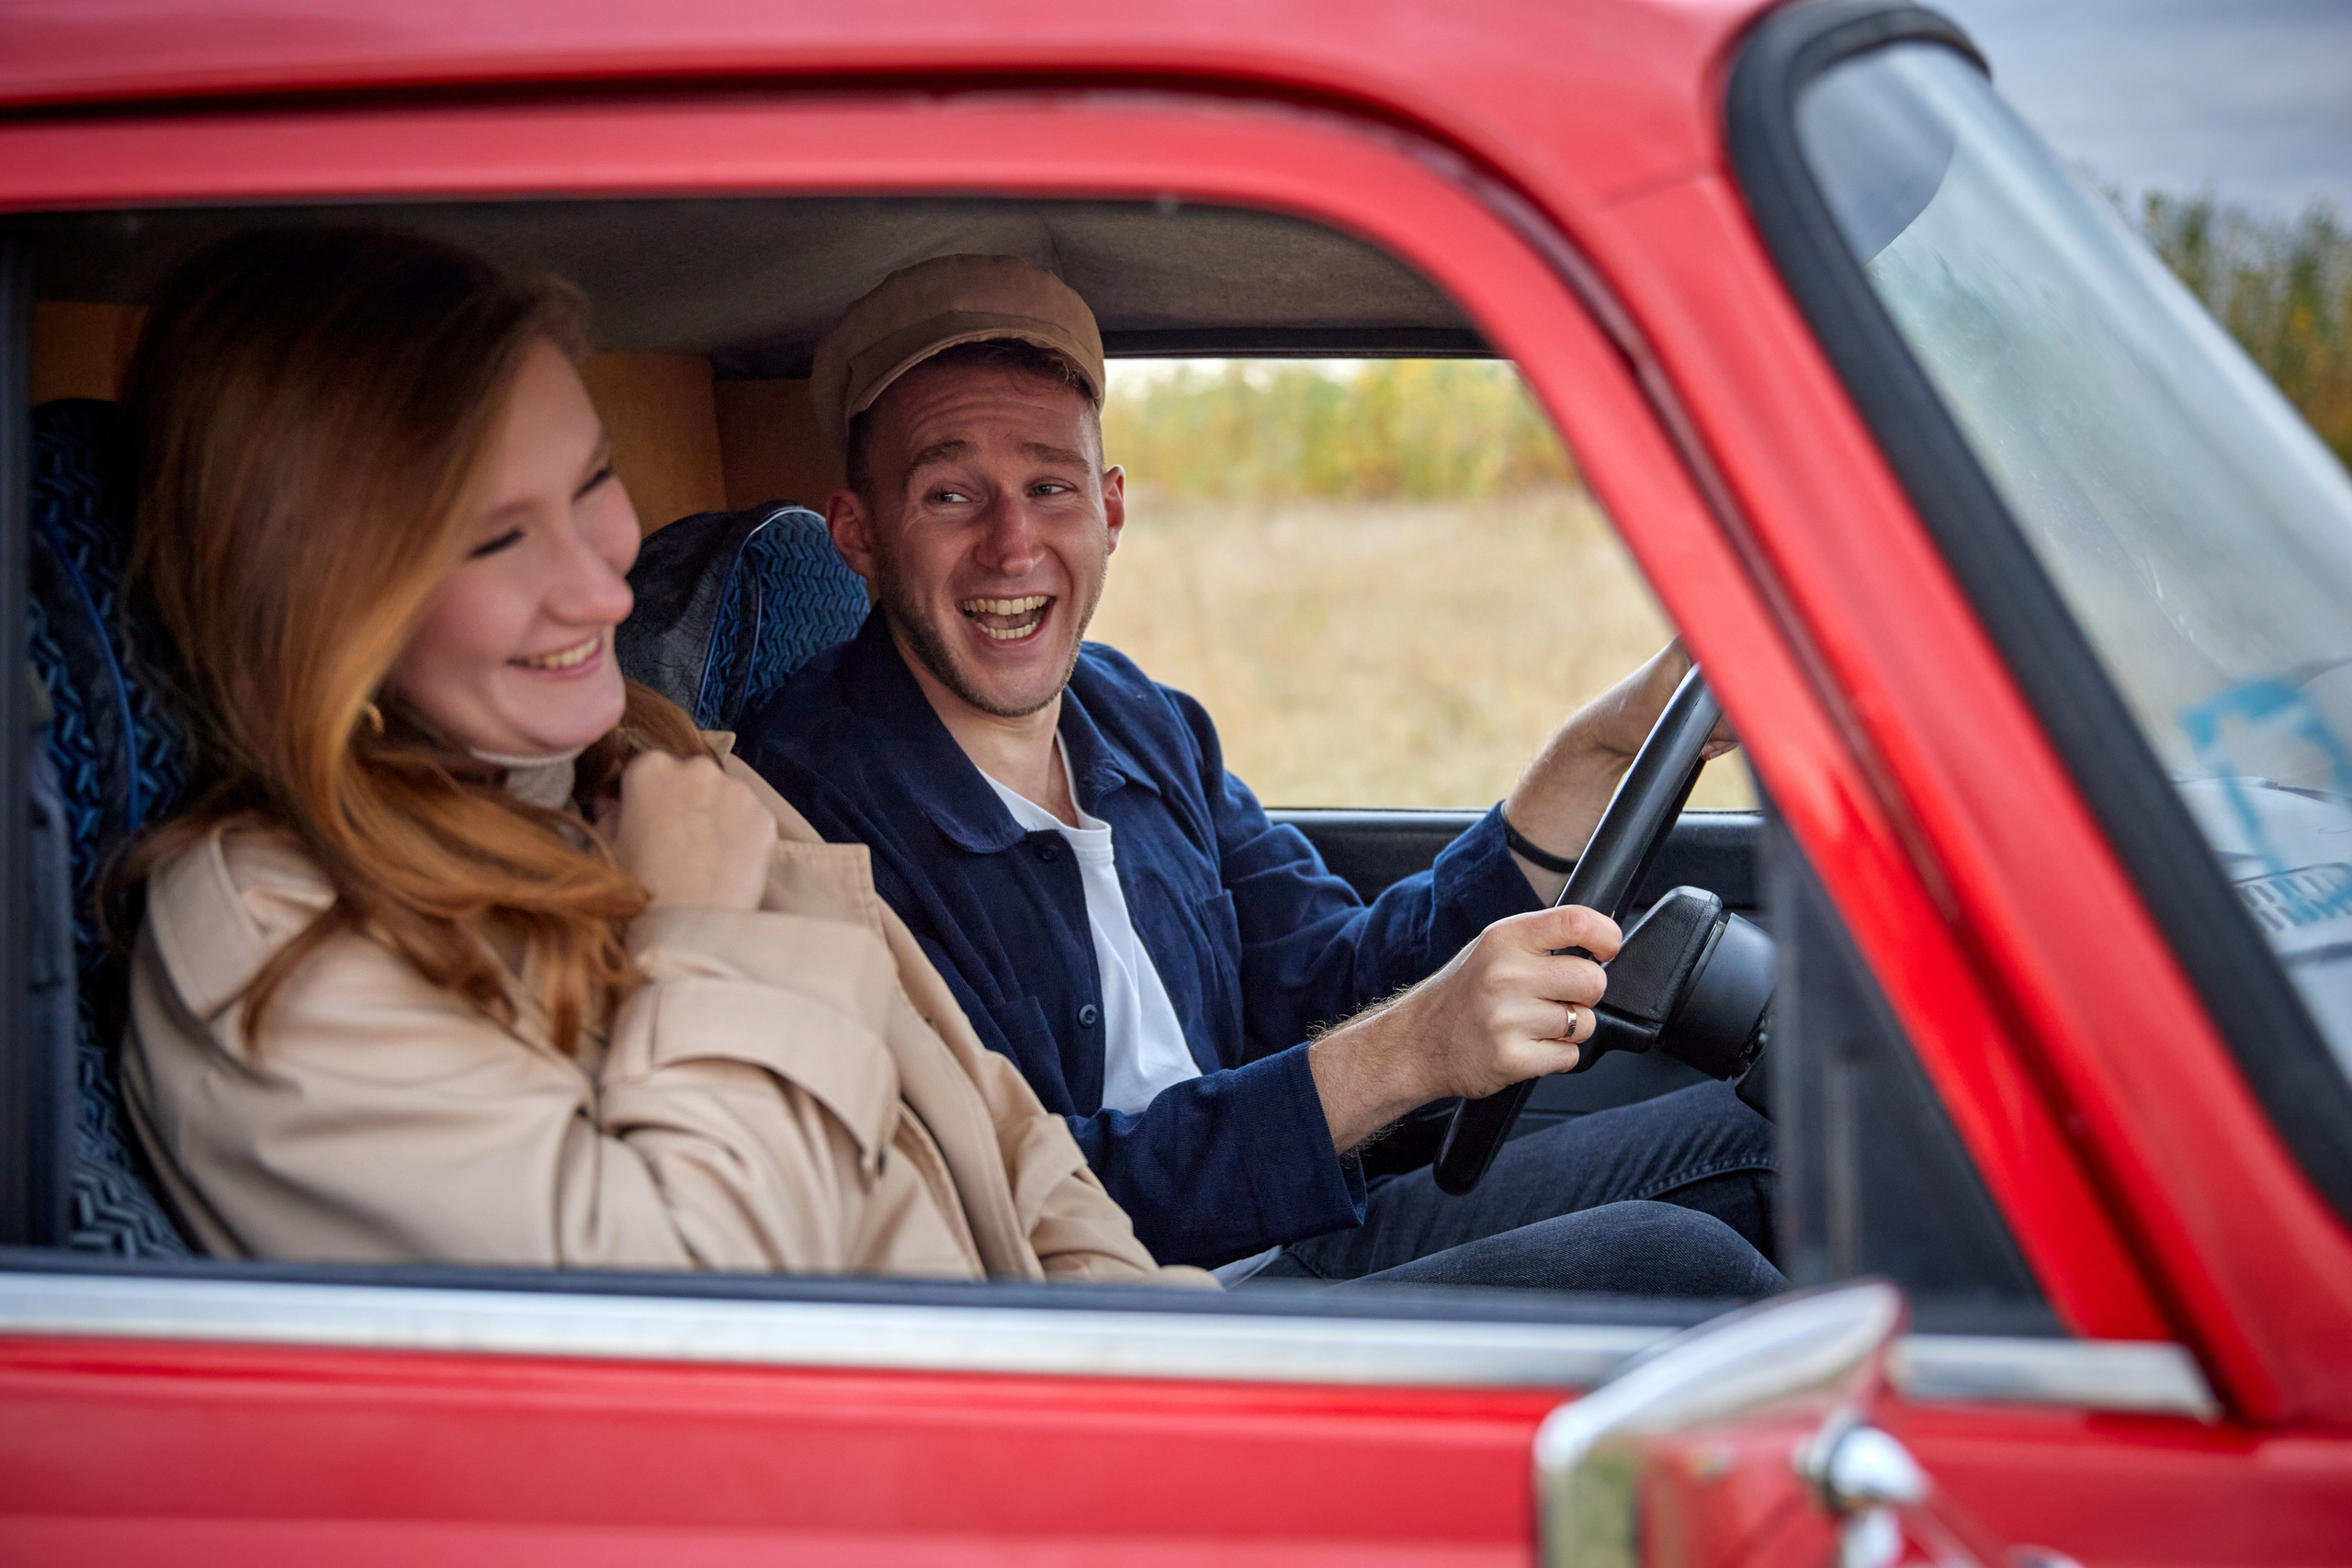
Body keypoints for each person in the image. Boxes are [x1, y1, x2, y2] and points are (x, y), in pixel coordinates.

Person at [112, 228, 1211, 1284]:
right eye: (498, 537)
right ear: (313, 599)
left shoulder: (655, 756)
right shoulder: (275, 953)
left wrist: (1146, 1343)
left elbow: (994, 1125)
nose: (604, 588)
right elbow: (683, 1333)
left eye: (592, 483)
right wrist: (707, 933)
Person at [734, 254, 1781, 1290]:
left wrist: (1598, 748)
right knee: (1674, 1265)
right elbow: (1020, 1212)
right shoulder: (802, 821)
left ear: (1109, 512)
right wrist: (1412, 1049)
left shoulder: (1136, 718)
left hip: (1288, 1235)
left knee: (1768, 1136)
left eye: (1049, 487)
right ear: (859, 535)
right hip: (1128, 1338)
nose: (1013, 546)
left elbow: (1327, 980)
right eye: (951, 494)